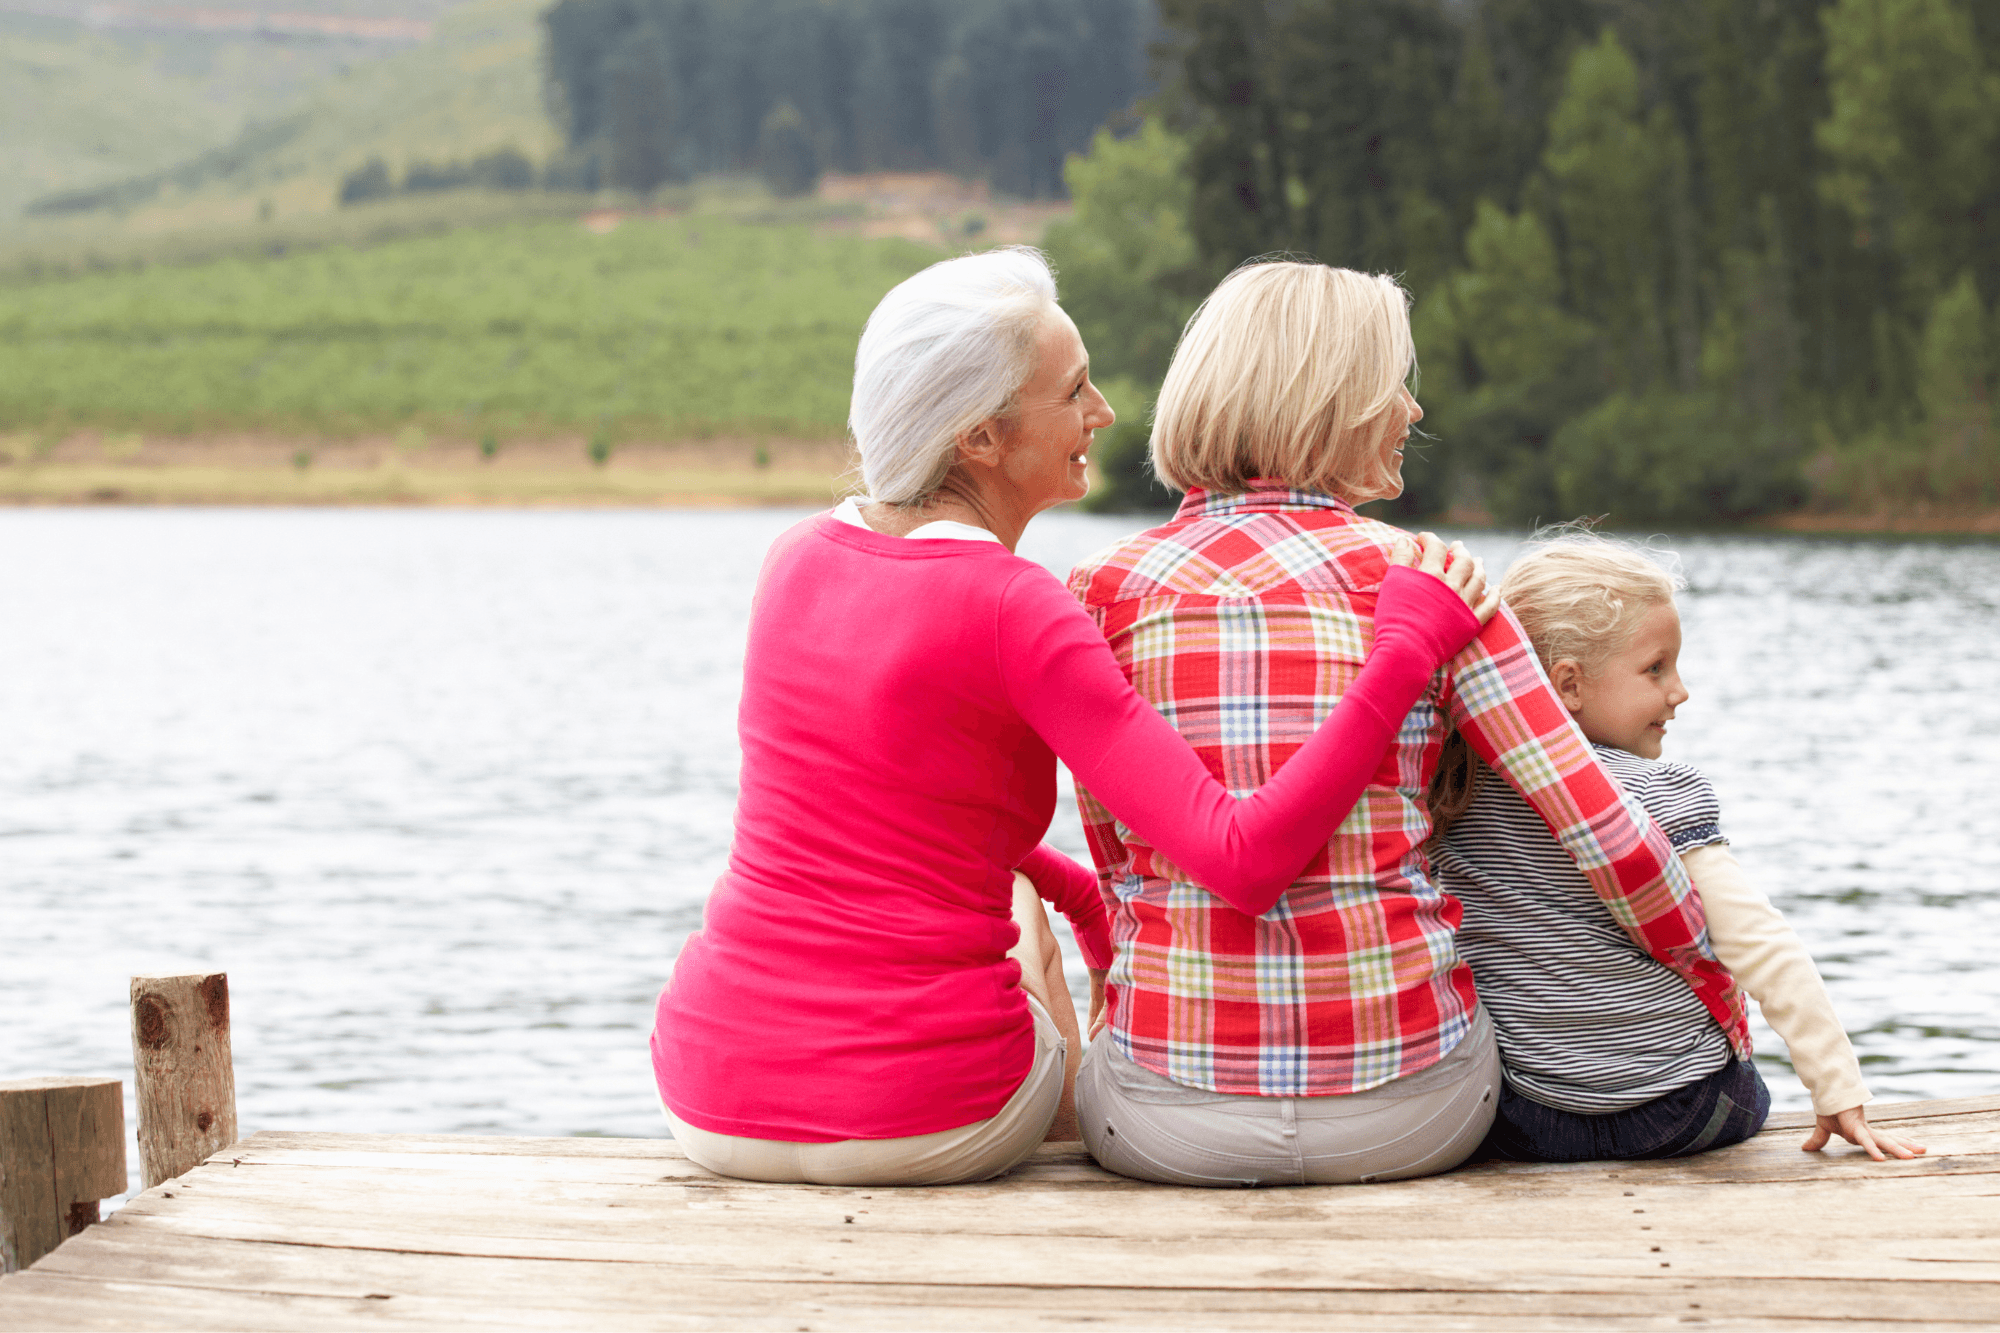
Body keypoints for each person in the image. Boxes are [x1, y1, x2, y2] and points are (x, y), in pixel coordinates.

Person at [650, 246, 1494, 1187]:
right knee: (1011, 908)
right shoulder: (1016, 604)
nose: (1103, 414)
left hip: (705, 1092)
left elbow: (897, 829)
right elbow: (1244, 857)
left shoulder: (793, 558)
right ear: (981, 438)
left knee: (986, 876)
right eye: (1075, 391)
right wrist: (1403, 653)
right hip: (921, 1114)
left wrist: (1092, 908)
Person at [1067, 259, 1745, 1188]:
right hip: (1415, 1112)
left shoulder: (1097, 594)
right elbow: (1610, 840)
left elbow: (1115, 860)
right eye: (1396, 384)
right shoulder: (1435, 579)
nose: (1412, 412)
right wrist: (1717, 989)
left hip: (1168, 1123)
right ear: (1332, 398)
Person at [1426, 529, 1927, 1163]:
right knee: (1738, 1073)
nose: (1679, 690)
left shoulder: (1453, 792)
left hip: (1531, 1116)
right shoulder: (1654, 792)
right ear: (1569, 685)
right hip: (1678, 1112)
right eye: (1656, 667)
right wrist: (1839, 1090)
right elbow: (1761, 944)